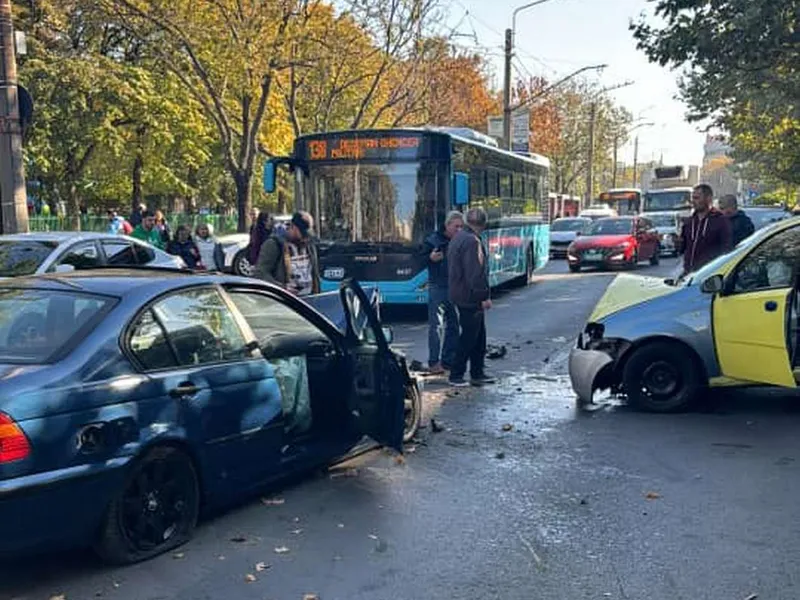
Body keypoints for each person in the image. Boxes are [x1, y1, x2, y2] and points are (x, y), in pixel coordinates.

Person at [447, 208, 494, 388]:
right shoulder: (472, 241)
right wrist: (483, 296)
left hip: (460, 293)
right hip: (469, 296)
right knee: (469, 336)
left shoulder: (459, 237)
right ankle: (457, 374)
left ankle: (477, 372)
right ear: (483, 224)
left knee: (479, 335)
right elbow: (475, 274)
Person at [422, 211, 464, 375]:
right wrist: (430, 258)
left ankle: (448, 360)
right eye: (456, 226)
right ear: (447, 226)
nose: (459, 230)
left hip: (455, 287)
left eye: (462, 226)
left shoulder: (461, 240)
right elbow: (419, 258)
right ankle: (434, 362)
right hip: (438, 287)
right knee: (436, 326)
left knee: (454, 325)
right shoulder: (433, 240)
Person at [255, 211, 320, 296]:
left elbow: (315, 274)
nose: (305, 238)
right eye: (303, 234)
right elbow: (260, 274)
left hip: (309, 300)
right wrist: (282, 288)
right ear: (292, 227)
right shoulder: (274, 244)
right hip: (285, 303)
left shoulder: (309, 244)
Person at [677, 184, 733, 276]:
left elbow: (726, 249)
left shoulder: (720, 221)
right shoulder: (689, 222)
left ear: (708, 198)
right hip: (689, 274)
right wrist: (677, 242)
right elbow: (683, 248)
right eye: (693, 198)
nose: (693, 202)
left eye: (697, 198)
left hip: (710, 274)